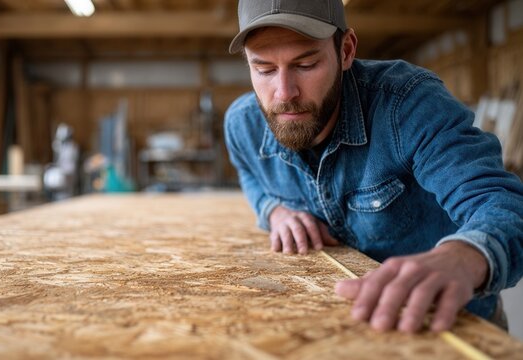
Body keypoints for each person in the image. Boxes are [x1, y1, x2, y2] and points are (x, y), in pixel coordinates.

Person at [224, 0, 523, 333]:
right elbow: (249, 175)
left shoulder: (409, 104)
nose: (284, 93)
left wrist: (464, 256)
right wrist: (272, 210)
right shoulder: (242, 125)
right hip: (337, 331)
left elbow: (500, 201)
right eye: (263, 69)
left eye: (306, 64)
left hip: (447, 327)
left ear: (347, 50)